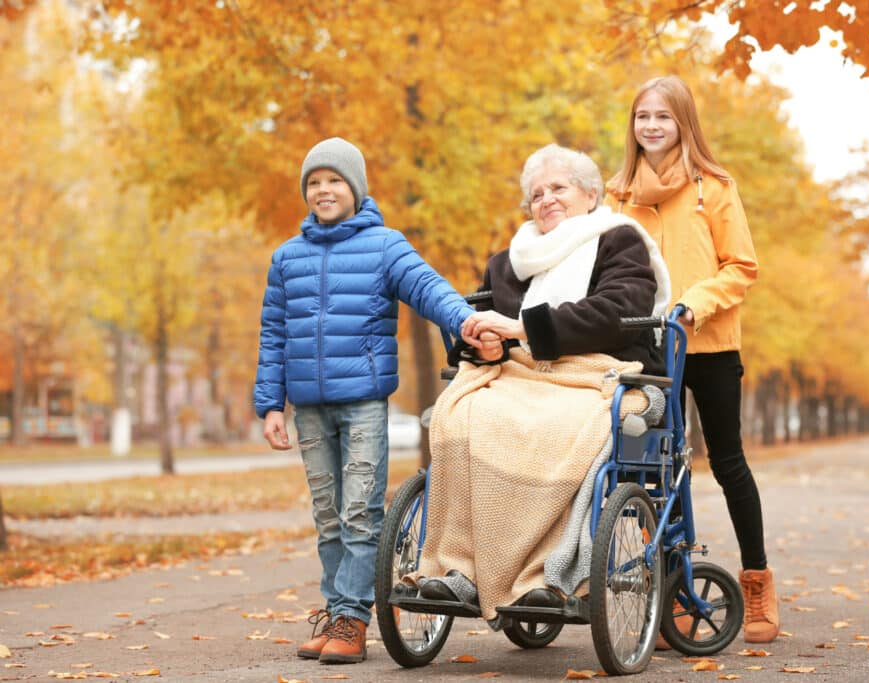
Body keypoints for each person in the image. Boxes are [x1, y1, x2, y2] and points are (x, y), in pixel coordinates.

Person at [408, 144, 671, 622]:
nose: (546, 199)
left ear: (591, 194)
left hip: (597, 373)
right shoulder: (508, 261)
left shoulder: (619, 241)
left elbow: (618, 313)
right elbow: (489, 333)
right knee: (463, 416)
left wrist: (522, 328)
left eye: (559, 188)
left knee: (556, 429)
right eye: (537, 194)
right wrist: (485, 344)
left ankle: (548, 575)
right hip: (521, 375)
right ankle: (461, 569)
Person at [253, 137, 478, 665]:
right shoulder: (287, 259)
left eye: (334, 180)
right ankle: (336, 610)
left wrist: (465, 319)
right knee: (328, 515)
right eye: (314, 182)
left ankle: (353, 619)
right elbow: (273, 335)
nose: (323, 190)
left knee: (358, 512)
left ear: (355, 188)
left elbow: (427, 288)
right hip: (308, 408)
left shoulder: (384, 245)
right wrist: (270, 405)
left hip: (362, 405)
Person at [605, 75, 778, 644]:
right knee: (652, 470)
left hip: (707, 342)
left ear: (684, 123)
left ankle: (756, 584)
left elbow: (741, 267)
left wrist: (692, 304)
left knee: (727, 462)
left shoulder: (715, 186)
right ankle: (671, 588)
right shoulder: (616, 193)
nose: (651, 125)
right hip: (645, 347)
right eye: (642, 116)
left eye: (663, 116)